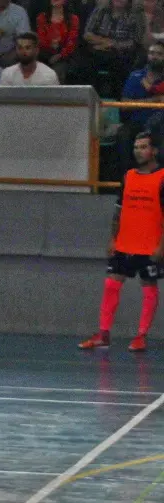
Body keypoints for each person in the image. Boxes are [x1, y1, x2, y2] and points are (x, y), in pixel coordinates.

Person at [79, 132, 164, 352]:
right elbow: (119, 210)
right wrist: (113, 238)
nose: (138, 151)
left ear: (154, 151)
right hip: (125, 243)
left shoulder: (162, 177)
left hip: (150, 245)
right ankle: (103, 334)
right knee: (111, 284)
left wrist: (161, 246)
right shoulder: (128, 176)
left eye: (143, 147)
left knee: (149, 289)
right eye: (136, 147)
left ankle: (141, 336)